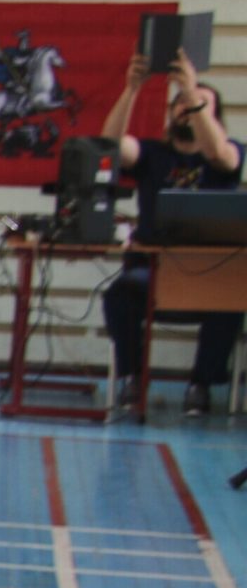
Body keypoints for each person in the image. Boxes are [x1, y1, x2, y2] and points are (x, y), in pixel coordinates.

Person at [98, 47, 243, 418]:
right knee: (119, 294)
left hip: (210, 275)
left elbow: (219, 154)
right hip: (154, 271)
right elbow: (110, 147)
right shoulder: (151, 153)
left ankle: (201, 385)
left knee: (231, 303)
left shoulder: (229, 152)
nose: (186, 109)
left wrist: (191, 92)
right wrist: (132, 89)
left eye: (196, 105)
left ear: (213, 116)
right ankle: (132, 378)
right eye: (180, 103)